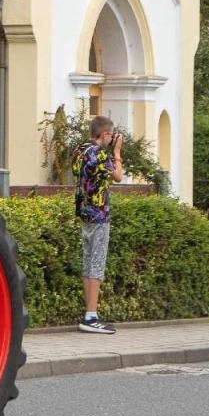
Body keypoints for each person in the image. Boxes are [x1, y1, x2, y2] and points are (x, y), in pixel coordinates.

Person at [74, 116, 123, 334]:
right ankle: (91, 316)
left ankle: (89, 313)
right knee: (96, 264)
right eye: (111, 135)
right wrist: (117, 153)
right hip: (99, 214)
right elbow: (118, 176)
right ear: (104, 135)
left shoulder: (80, 150)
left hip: (84, 212)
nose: (113, 138)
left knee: (88, 262)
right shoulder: (101, 154)